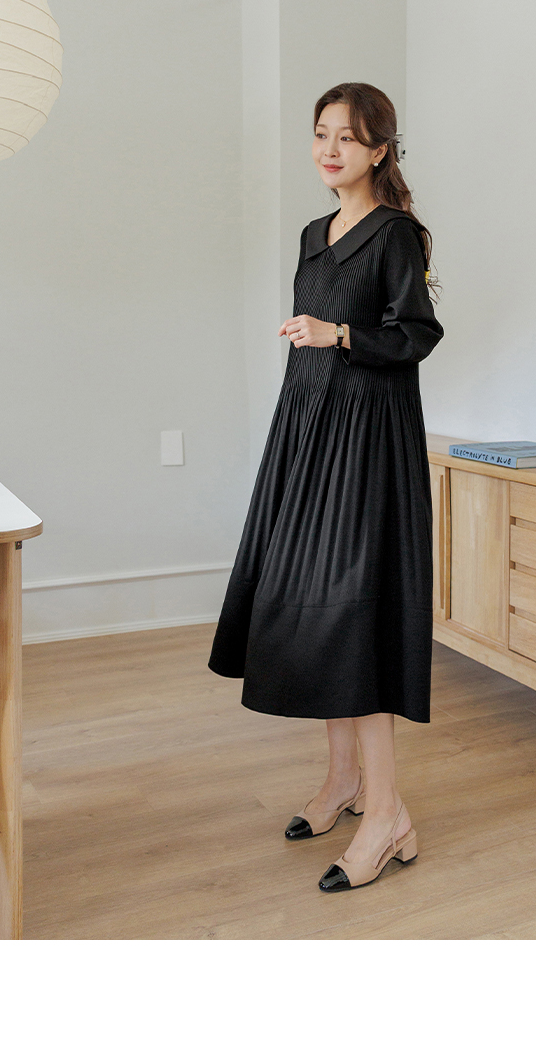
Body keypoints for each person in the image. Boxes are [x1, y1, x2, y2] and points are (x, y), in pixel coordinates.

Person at [209, 81, 443, 892]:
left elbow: (416, 334)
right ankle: (345, 781)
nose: (330, 149)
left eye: (347, 136)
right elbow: (309, 340)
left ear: (379, 149)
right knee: (310, 608)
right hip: (306, 433)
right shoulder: (315, 233)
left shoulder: (396, 234)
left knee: (353, 617)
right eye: (320, 134)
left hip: (368, 443)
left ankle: (387, 812)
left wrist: (337, 332)